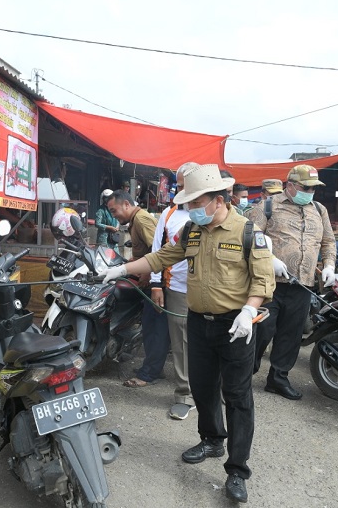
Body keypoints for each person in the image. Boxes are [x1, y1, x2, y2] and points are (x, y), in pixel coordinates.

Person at [102, 164, 275, 503]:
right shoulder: (192, 233)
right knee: (203, 388)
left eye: (197, 203)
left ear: (219, 200)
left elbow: (263, 279)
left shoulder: (247, 232)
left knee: (238, 397)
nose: (192, 209)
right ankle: (212, 440)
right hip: (198, 322)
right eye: (189, 203)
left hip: (236, 327)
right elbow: (161, 257)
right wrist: (119, 269)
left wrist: (249, 309)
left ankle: (237, 469)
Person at [246, 164, 336, 401]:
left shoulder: (319, 209)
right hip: (270, 282)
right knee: (262, 330)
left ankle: (278, 379)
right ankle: (244, 374)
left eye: (314, 188)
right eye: (306, 187)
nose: (310, 191)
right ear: (290, 185)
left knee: (291, 334)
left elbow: (328, 241)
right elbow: (250, 236)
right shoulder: (267, 206)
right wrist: (270, 258)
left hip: (303, 283)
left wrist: (329, 265)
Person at [149, 162, 198, 420]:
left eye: (186, 186)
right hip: (177, 288)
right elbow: (157, 251)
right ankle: (184, 394)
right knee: (180, 343)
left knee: (211, 341)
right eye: (179, 185)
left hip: (212, 292)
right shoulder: (169, 215)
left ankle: (214, 390)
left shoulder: (214, 211)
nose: (181, 190)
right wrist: (156, 284)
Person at [105, 189, 167, 388]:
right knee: (153, 327)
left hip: (154, 282)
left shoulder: (141, 220)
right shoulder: (136, 220)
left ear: (126, 204)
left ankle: (149, 374)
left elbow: (157, 252)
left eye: (115, 211)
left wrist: (149, 275)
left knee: (154, 328)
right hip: (150, 277)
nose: (114, 215)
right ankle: (154, 368)